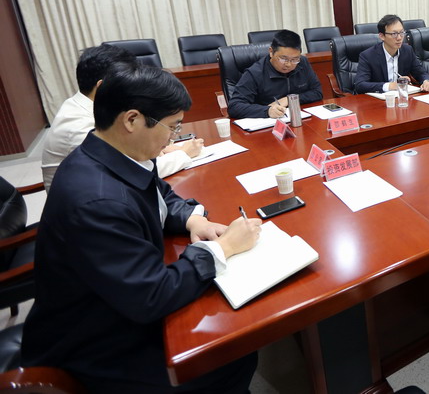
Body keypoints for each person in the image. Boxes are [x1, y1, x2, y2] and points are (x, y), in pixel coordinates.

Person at [23, 62, 262, 393]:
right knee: (232, 354)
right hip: (94, 344)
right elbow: (152, 296)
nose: (173, 138)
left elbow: (158, 192)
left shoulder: (110, 152)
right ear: (132, 120)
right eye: (172, 127)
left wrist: (193, 219)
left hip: (116, 303)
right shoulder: (98, 202)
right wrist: (224, 248)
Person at [41, 45, 203, 191]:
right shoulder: (78, 126)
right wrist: (184, 154)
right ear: (103, 87)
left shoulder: (91, 107)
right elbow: (134, 171)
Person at [227, 29, 323, 118]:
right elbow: (234, 106)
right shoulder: (255, 73)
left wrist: (288, 100)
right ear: (271, 52)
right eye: (283, 59)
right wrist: (267, 111)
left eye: (294, 59)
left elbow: (317, 92)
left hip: (298, 117)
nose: (289, 64)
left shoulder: (302, 62)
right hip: (268, 124)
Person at [354, 14, 429, 94]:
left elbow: (421, 73)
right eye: (394, 34)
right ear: (382, 36)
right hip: (377, 98)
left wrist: (426, 81)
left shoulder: (407, 50)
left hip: (401, 97)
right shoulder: (368, 56)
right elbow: (360, 85)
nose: (399, 38)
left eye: (401, 32)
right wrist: (389, 86)